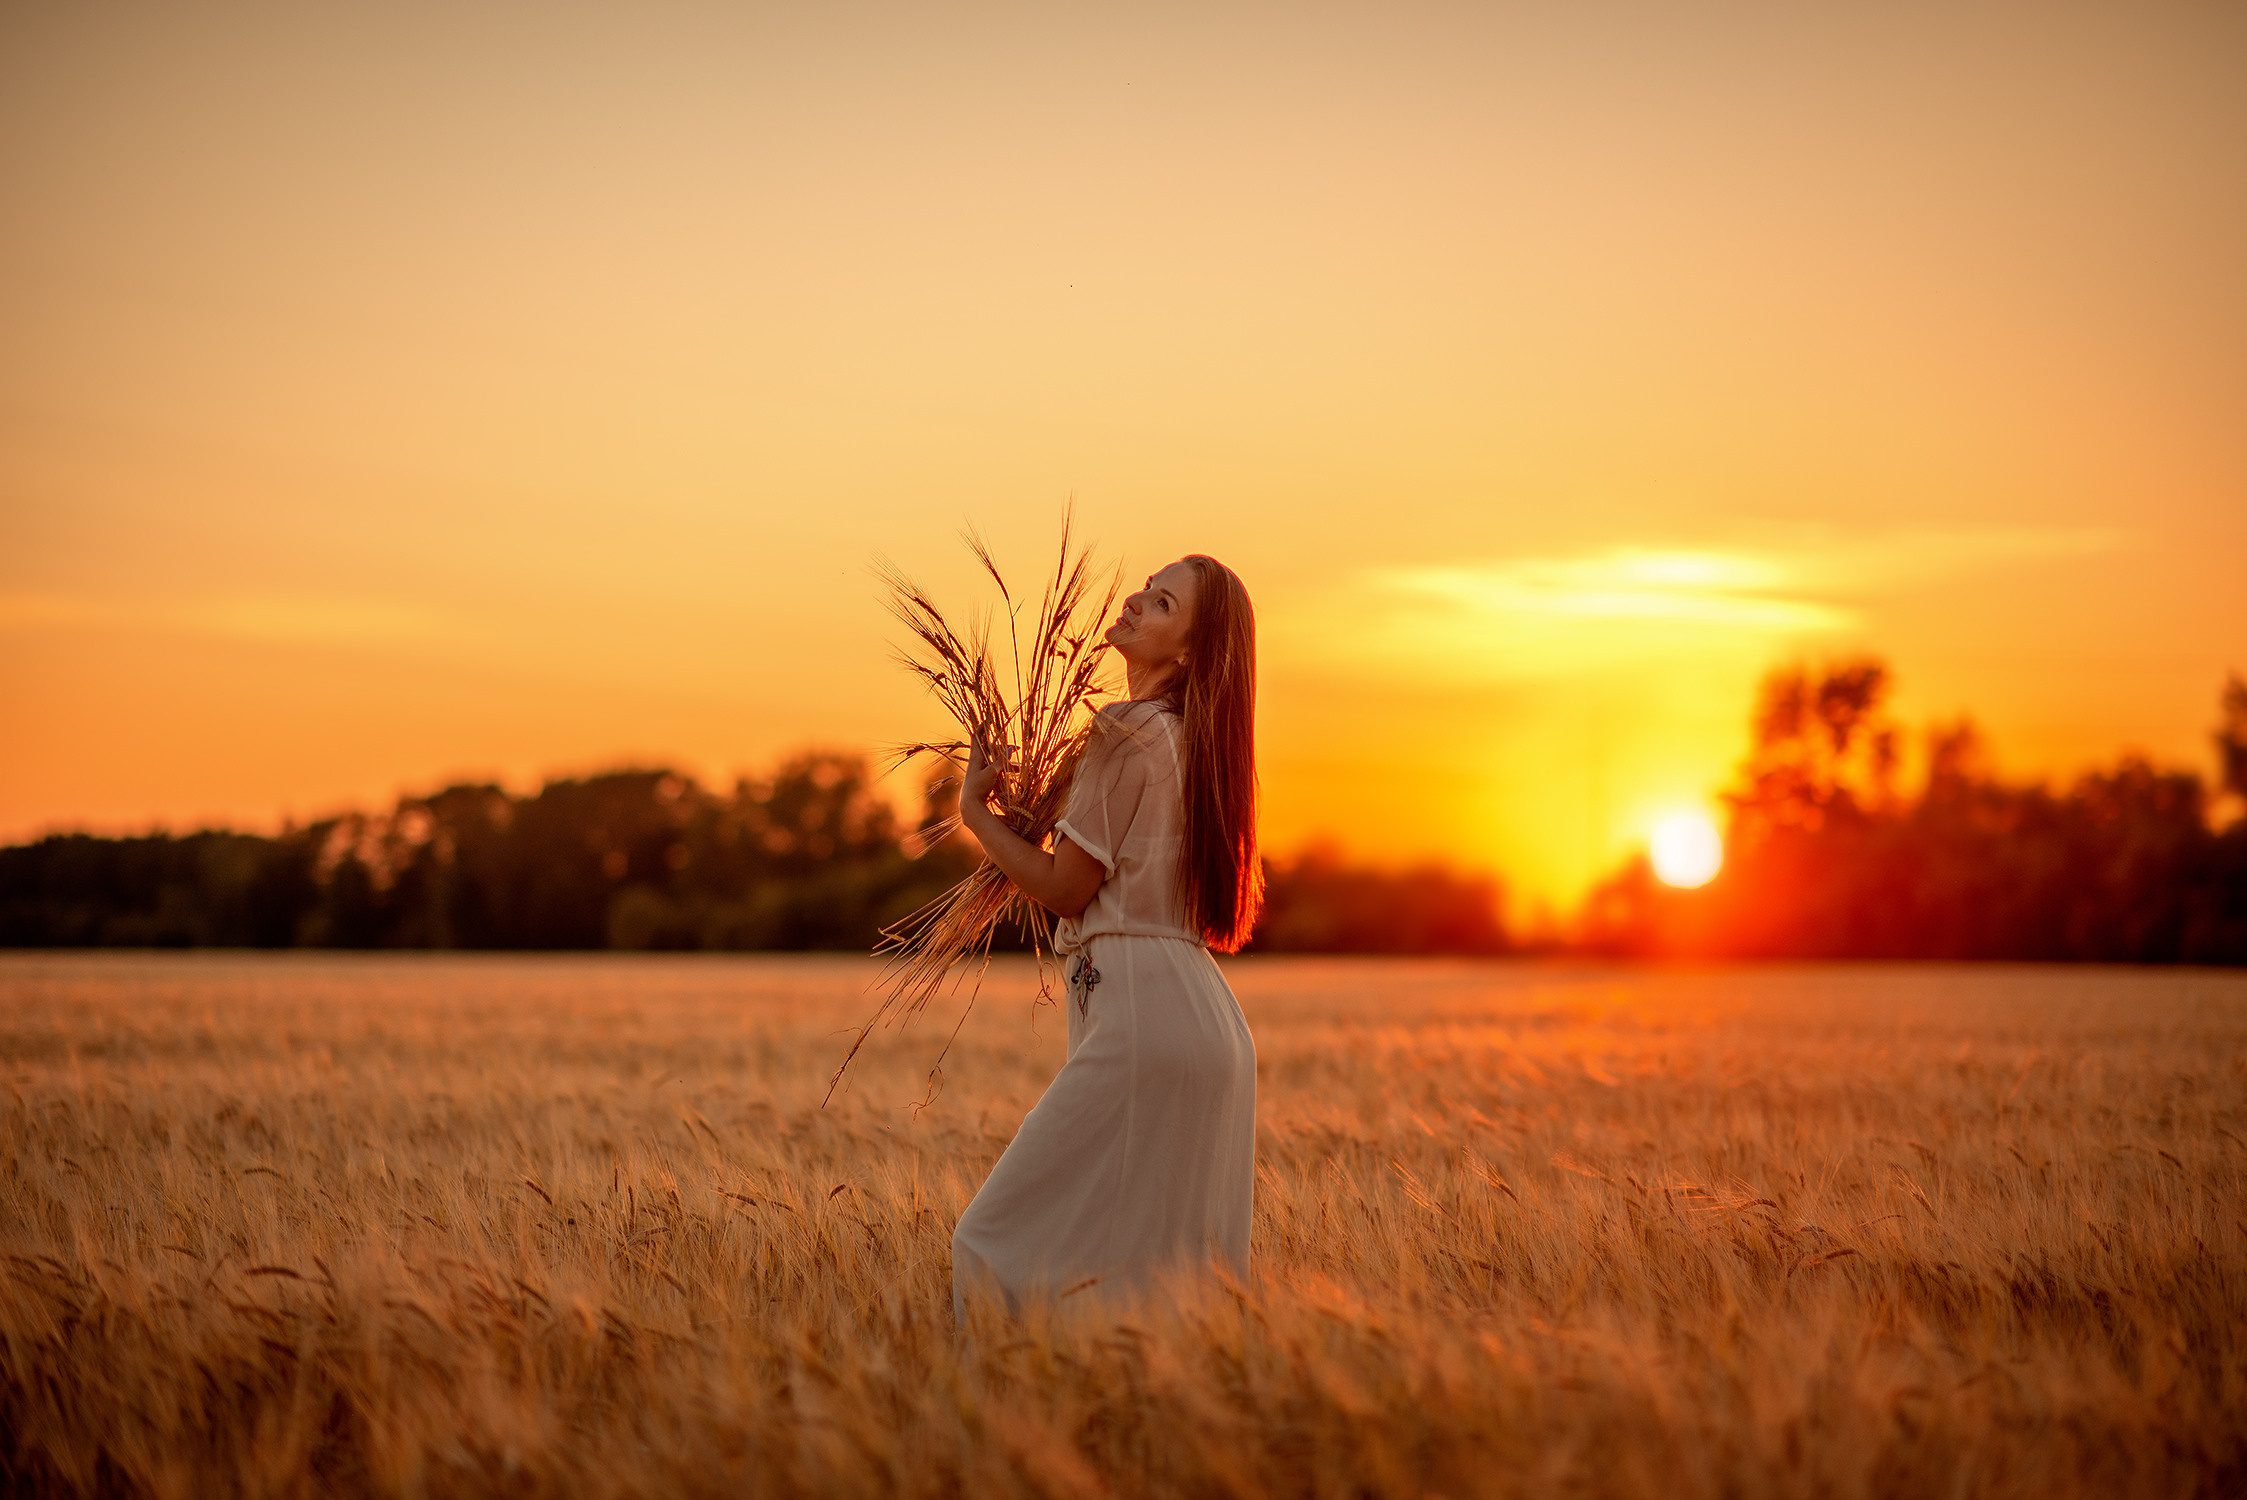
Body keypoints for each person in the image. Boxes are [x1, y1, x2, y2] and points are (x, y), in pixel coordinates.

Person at [950, 554, 1262, 1318]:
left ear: (1188, 650)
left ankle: (1001, 1424)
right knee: (1166, 1287)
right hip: (1208, 1023)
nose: (1132, 603)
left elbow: (1064, 888)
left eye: (1160, 604)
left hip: (1140, 1019)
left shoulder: (1126, 730)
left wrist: (979, 816)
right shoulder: (1197, 746)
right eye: (1146, 590)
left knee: (993, 1245)